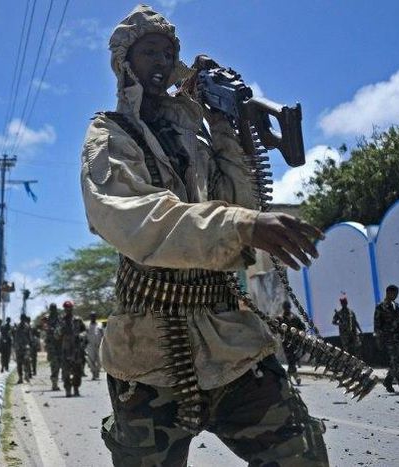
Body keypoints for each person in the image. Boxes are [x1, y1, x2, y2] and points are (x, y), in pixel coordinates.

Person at [80, 5, 326, 465]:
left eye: (169, 51)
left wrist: (227, 125)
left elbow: (243, 204)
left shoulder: (197, 137)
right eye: (149, 51)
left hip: (229, 337)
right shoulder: (109, 135)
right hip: (150, 348)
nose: (161, 60)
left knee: (301, 454)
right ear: (124, 62)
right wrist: (241, 225)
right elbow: (134, 219)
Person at [374, 285, 399, 396]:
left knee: (396, 362)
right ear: (388, 292)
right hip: (388, 339)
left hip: (398, 338)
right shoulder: (380, 307)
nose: (396, 295)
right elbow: (377, 325)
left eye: (397, 293)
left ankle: (388, 381)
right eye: (394, 293)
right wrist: (379, 339)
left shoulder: (396, 306)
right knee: (396, 362)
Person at [60, 301, 86, 397]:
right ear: (64, 309)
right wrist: (60, 331)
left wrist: (80, 335)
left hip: (76, 350)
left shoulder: (78, 320)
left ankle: (76, 388)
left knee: (77, 370)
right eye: (66, 308)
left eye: (69, 308)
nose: (68, 310)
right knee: (66, 371)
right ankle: (68, 389)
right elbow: (56, 335)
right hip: (66, 349)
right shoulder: (61, 320)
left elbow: (84, 331)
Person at [280, 301, 306, 385]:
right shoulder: (280, 318)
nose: (286, 309)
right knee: (290, 359)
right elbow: (274, 328)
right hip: (285, 342)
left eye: (288, 307)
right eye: (285, 307)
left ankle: (288, 376)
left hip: (295, 342)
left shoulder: (295, 318)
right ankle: (295, 376)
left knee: (293, 359)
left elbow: (302, 327)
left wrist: (299, 333)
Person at [44, 304, 63, 391]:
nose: (54, 311)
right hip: (52, 345)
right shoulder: (47, 319)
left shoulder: (60, 319)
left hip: (60, 344)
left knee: (60, 363)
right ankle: (54, 383)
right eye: (52, 309)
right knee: (54, 364)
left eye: (54, 309)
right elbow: (45, 329)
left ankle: (59, 381)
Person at [14, 314, 33, 384]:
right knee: (19, 363)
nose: (22, 320)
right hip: (19, 347)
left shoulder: (27, 327)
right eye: (21, 318)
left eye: (23, 318)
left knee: (26, 361)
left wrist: (30, 344)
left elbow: (30, 336)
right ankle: (20, 378)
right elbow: (15, 337)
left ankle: (27, 375)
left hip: (26, 347)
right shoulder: (17, 326)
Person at [85, 311, 104, 381]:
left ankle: (97, 372)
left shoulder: (100, 324)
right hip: (90, 345)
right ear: (90, 317)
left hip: (99, 345)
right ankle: (93, 373)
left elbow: (103, 334)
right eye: (92, 316)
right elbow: (84, 334)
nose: (93, 317)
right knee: (91, 360)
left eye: (94, 316)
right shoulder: (87, 325)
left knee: (99, 360)